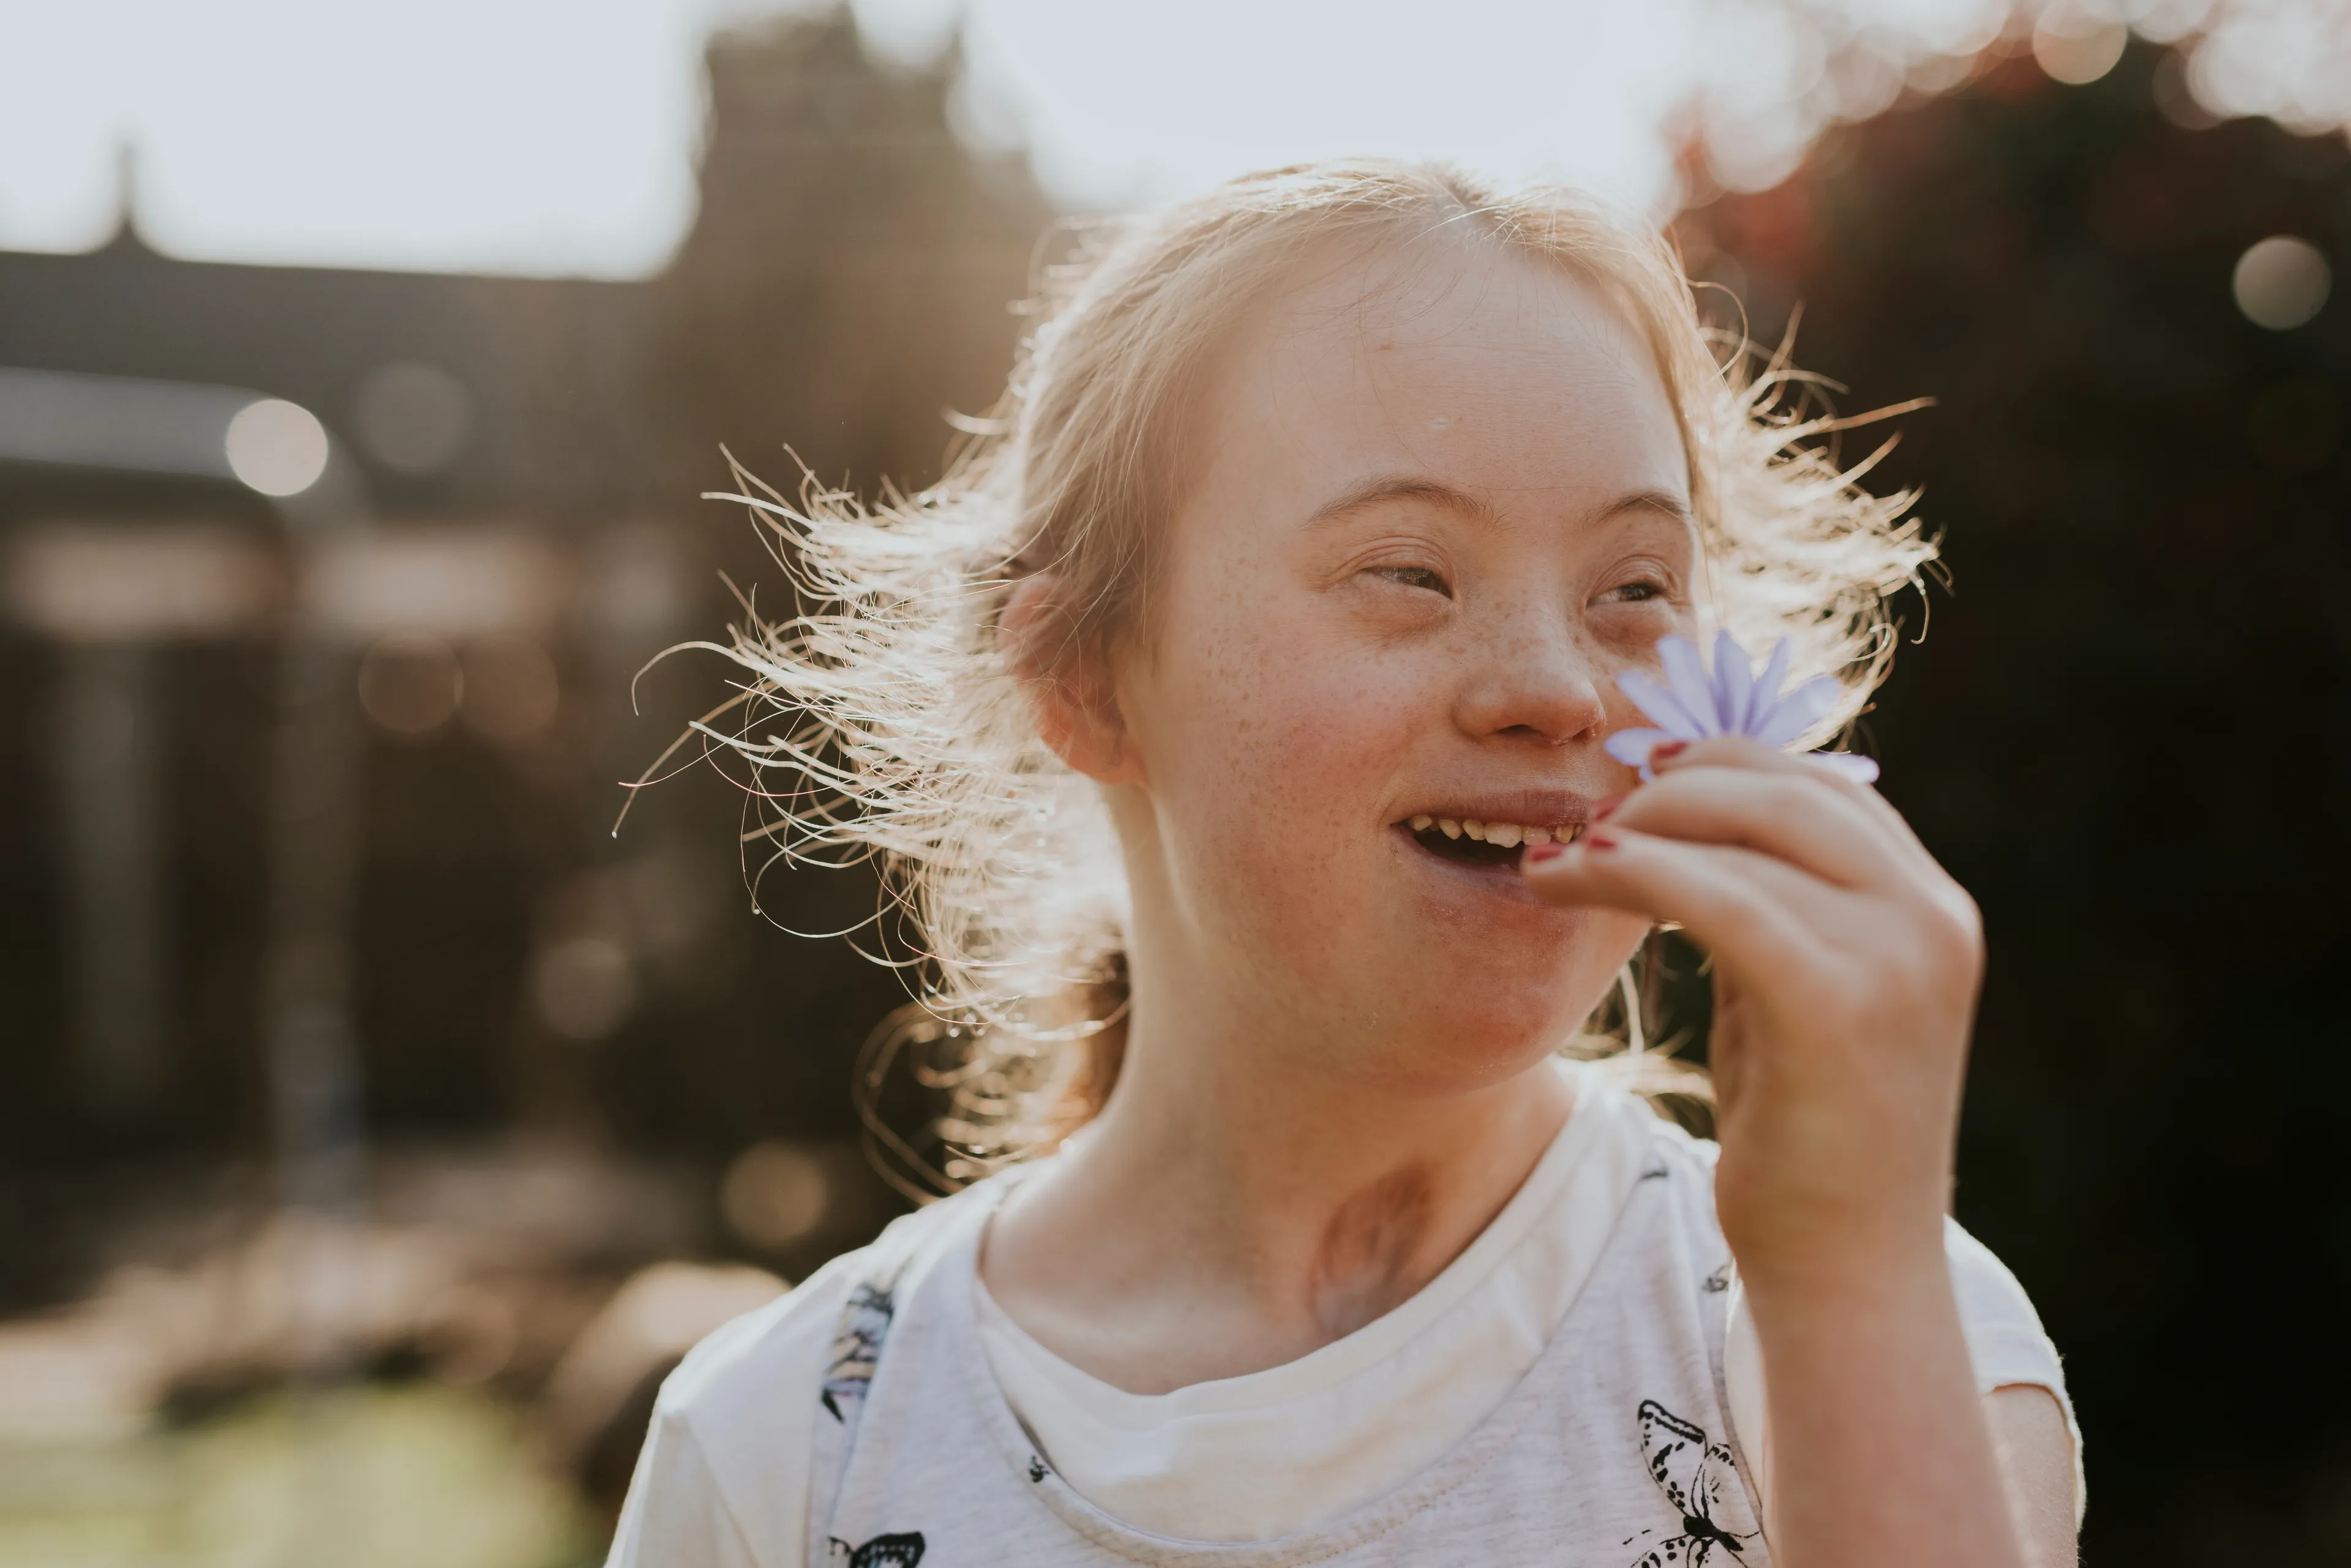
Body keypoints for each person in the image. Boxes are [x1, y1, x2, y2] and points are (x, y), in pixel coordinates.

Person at [609, 161, 2080, 1568]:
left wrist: (1844, 1280)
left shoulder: (1866, 1334)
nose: (1559, 686)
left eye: (1637, 589)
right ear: (1085, 681)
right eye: (1409, 571)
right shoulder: (781, 1456)